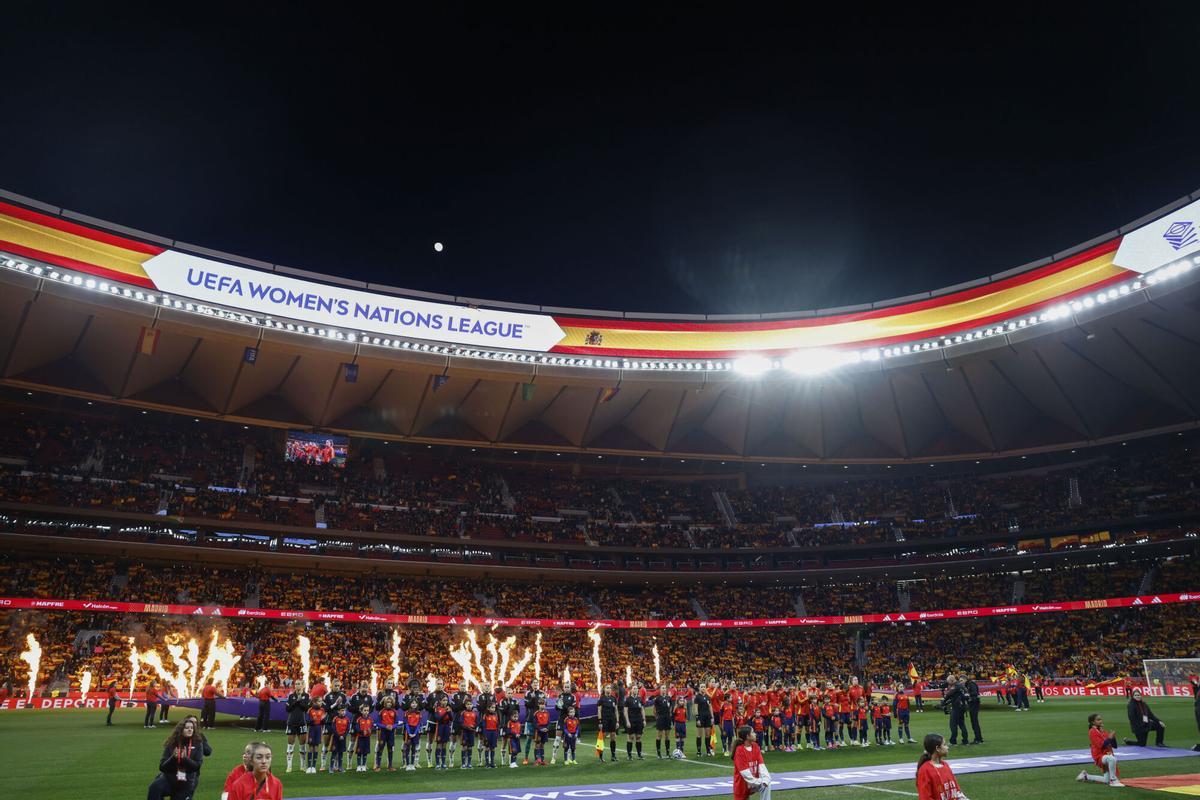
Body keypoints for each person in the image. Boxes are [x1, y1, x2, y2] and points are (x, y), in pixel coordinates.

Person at [147, 717, 205, 800]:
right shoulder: (172, 743)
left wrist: (185, 759)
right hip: (169, 779)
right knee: (154, 788)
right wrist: (173, 758)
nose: (190, 730)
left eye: (192, 728)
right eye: (187, 728)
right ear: (181, 730)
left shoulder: (198, 743)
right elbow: (162, 767)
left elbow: (197, 766)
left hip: (186, 782)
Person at [1076, 713, 1124, 787]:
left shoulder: (1103, 731)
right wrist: (1109, 738)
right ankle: (1114, 781)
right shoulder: (1092, 731)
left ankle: (1085, 776)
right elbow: (1101, 745)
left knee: (1106, 780)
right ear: (1093, 722)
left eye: (1100, 719)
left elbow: (1115, 746)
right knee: (1112, 759)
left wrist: (1113, 738)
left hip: (1106, 755)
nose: (1101, 721)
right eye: (1098, 720)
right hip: (1099, 756)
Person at [916, 733, 968, 800]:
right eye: (944, 745)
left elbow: (956, 790)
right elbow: (925, 797)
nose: (947, 747)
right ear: (937, 748)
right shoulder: (925, 770)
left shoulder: (945, 765)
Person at [732, 725, 771, 800]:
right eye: (753, 732)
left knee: (767, 784)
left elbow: (761, 765)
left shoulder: (755, 746)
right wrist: (758, 782)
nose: (755, 734)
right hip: (742, 785)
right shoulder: (739, 750)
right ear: (747, 736)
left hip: (753, 783)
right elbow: (745, 773)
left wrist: (766, 780)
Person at [283, 681, 309, 773]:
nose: (297, 685)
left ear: (303, 685)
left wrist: (300, 701)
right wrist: (295, 701)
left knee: (302, 746)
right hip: (291, 723)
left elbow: (306, 708)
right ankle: (289, 766)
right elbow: (287, 709)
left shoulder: (306, 696)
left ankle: (303, 765)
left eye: (299, 684)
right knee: (290, 746)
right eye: (296, 684)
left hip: (302, 722)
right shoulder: (291, 696)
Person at [941, 675, 968, 746]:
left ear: (951, 681)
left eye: (949, 682)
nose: (948, 684)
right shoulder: (961, 685)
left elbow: (949, 694)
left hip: (957, 707)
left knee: (953, 724)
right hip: (962, 707)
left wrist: (944, 701)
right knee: (962, 724)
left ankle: (953, 741)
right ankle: (965, 741)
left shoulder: (956, 686)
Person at [624, 682, 646, 761]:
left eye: (636, 689)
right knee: (631, 737)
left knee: (639, 737)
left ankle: (639, 754)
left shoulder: (639, 699)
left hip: (639, 720)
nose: (635, 690)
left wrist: (644, 720)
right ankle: (629, 755)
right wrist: (627, 721)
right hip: (631, 720)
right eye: (634, 688)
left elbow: (642, 710)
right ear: (631, 690)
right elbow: (625, 711)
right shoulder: (628, 699)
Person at [598, 683, 620, 762]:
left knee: (613, 736)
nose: (609, 689)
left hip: (612, 720)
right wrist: (600, 721)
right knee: (602, 737)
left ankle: (613, 755)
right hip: (604, 720)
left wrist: (617, 721)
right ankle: (600, 756)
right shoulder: (602, 699)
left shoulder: (614, 699)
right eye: (607, 688)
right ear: (604, 689)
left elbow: (616, 710)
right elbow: (599, 710)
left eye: (610, 688)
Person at [964, 676, 983, 744]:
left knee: (974, 722)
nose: (961, 681)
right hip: (973, 703)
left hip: (974, 703)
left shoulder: (971, 684)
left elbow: (975, 693)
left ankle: (978, 738)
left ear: (965, 679)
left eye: (961, 680)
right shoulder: (969, 684)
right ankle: (978, 738)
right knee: (974, 722)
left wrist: (967, 694)